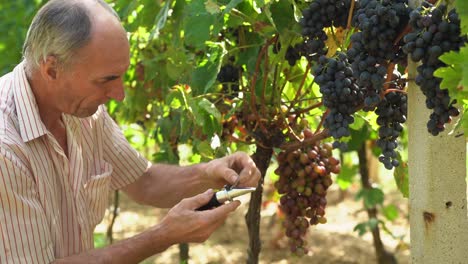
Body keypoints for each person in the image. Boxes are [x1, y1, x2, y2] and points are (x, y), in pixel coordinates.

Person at [0, 0, 261, 263]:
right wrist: (162, 236)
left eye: (121, 76)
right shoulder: (5, 148)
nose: (120, 94)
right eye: (107, 80)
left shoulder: (84, 113)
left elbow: (144, 181)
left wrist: (208, 173)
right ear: (51, 69)